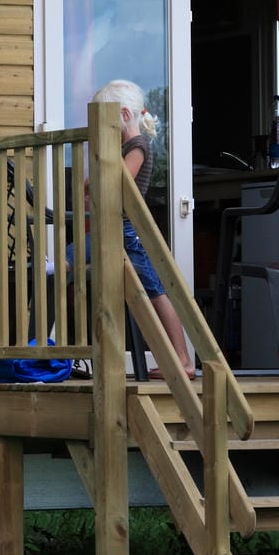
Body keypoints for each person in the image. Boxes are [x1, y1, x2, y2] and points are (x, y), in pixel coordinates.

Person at [90, 79, 196, 378]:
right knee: (150, 290)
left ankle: (184, 360)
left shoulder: (138, 146)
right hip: (118, 227)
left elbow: (118, 180)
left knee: (156, 292)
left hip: (127, 229)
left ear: (124, 115)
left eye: (106, 118)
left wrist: (97, 176)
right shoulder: (128, 146)